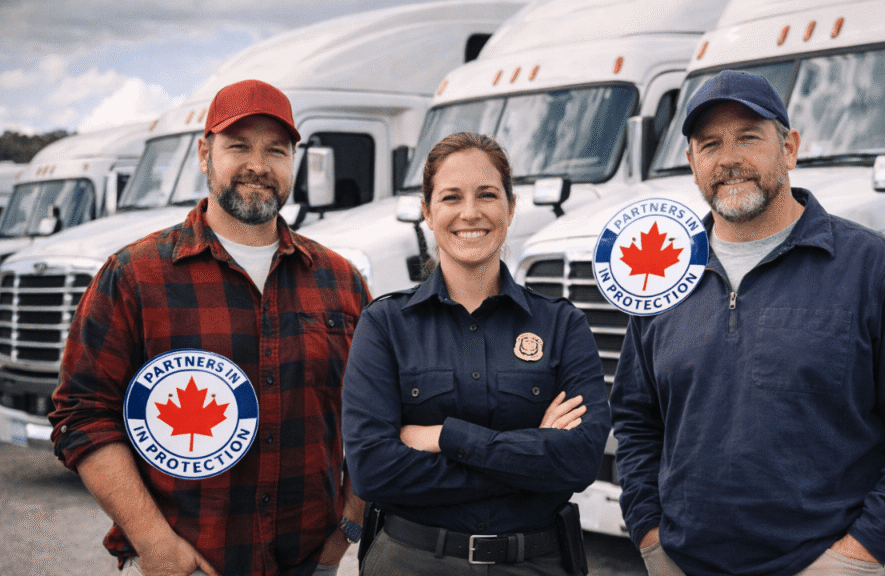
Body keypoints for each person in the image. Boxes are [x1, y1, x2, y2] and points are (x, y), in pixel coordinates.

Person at [610, 70, 885, 576]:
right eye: (709, 144)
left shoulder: (873, 268)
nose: (729, 158)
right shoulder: (662, 274)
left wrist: (861, 553)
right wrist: (650, 536)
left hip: (829, 565)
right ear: (692, 163)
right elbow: (636, 421)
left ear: (789, 147)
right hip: (684, 565)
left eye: (749, 137)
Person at [49, 79, 370, 576]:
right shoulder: (135, 276)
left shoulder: (341, 282)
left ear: (293, 163)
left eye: (276, 151)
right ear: (204, 154)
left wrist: (349, 525)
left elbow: (377, 415)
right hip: (188, 563)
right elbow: (82, 414)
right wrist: (154, 542)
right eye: (238, 146)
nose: (258, 165)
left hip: (310, 562)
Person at [341, 132, 610, 575]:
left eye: (487, 194)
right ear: (428, 211)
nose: (470, 213)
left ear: (510, 206)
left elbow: (578, 462)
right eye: (451, 197)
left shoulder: (561, 325)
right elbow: (373, 471)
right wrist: (530, 458)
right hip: (412, 563)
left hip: (534, 564)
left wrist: (444, 437)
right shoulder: (384, 325)